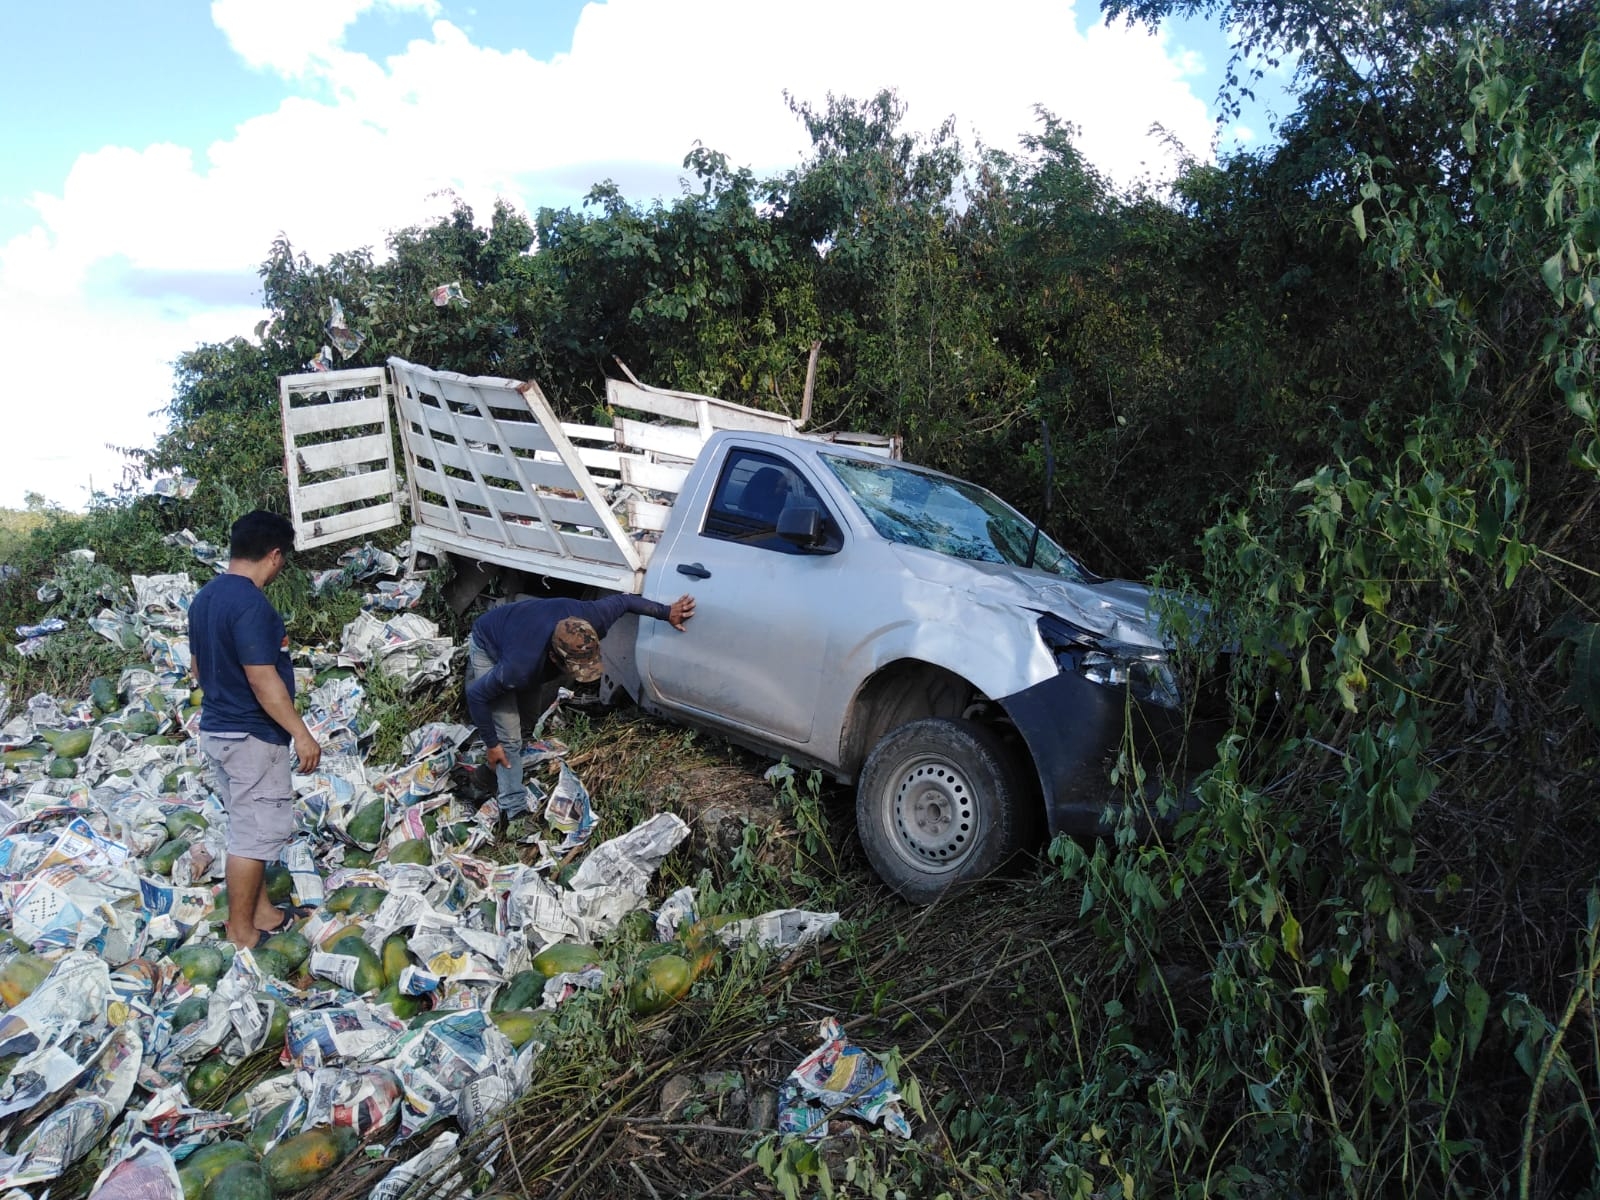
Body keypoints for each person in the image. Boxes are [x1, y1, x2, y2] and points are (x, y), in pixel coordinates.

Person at [188, 511, 322, 950]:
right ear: (276, 555)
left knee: (247, 827)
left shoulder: (205, 598)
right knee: (254, 833)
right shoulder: (252, 605)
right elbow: (263, 678)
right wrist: (301, 734)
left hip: (218, 729)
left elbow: (196, 668)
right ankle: (242, 931)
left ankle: (262, 912)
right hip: (250, 736)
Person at [466, 592, 695, 814]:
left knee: (528, 721)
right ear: (554, 657)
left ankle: (487, 774)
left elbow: (626, 601)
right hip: (489, 643)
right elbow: (477, 696)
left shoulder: (594, 616)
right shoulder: (520, 667)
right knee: (508, 737)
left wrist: (667, 612)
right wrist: (492, 744)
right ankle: (513, 811)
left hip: (522, 639)